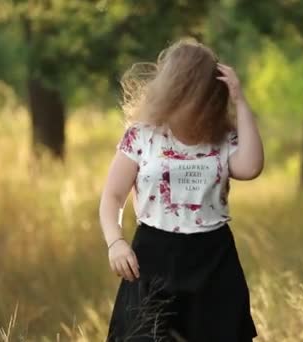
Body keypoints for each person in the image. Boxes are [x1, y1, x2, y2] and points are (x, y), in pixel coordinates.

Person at [99, 38, 264, 342]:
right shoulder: (141, 136)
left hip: (213, 260)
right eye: (193, 94)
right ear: (175, 90)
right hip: (153, 257)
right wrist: (115, 243)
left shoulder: (222, 138)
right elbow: (112, 197)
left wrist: (240, 100)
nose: (199, 103)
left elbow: (251, 167)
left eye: (206, 96)